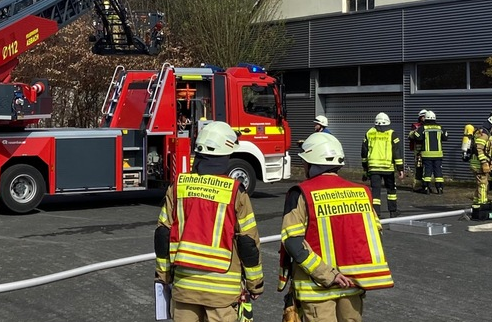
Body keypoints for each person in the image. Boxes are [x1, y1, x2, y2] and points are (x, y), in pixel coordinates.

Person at [155, 121, 264, 322]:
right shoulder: (235, 191)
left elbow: (162, 235)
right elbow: (248, 242)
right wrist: (254, 284)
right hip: (222, 293)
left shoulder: (178, 185)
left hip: (185, 287)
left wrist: (163, 276)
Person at [278, 132, 393, 322]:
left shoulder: (302, 193)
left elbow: (293, 243)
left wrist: (328, 275)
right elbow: (375, 238)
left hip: (316, 288)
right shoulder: (362, 192)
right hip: (352, 284)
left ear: (311, 162)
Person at [361, 112, 403, 218]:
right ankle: (393, 211)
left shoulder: (369, 133)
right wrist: (400, 168)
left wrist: (365, 167)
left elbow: (364, 151)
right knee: (391, 190)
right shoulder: (392, 134)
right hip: (388, 168)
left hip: (373, 167)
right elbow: (396, 152)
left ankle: (376, 213)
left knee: (375, 191)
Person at [470, 114, 492, 210]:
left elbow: (487, 150)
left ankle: (476, 203)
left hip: (481, 162)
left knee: (481, 184)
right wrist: (484, 162)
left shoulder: (487, 134)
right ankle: (482, 205)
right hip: (478, 164)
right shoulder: (484, 134)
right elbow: (479, 149)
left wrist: (490, 162)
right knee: (483, 184)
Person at [411, 110, 446, 194]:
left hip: (427, 154)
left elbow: (417, 137)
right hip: (438, 154)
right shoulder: (440, 127)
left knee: (427, 171)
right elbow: (445, 137)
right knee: (438, 171)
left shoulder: (423, 128)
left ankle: (426, 187)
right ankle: (440, 188)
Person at [407, 109, 427, 192]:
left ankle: (426, 185)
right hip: (418, 151)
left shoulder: (430, 126)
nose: (424, 118)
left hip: (428, 150)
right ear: (420, 117)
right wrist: (415, 132)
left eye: (425, 116)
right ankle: (418, 186)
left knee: (427, 168)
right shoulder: (416, 126)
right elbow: (410, 136)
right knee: (419, 168)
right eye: (423, 117)